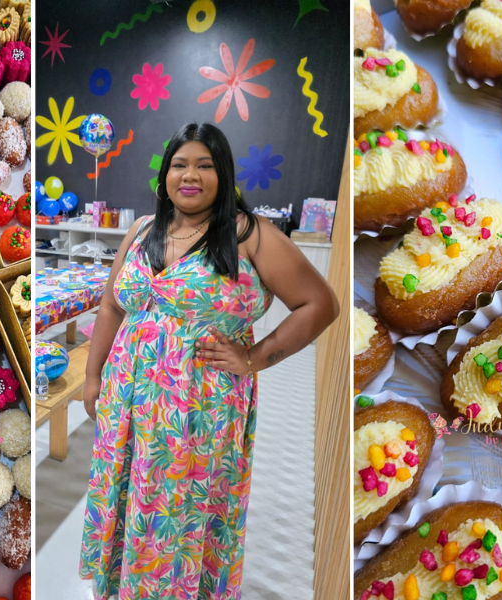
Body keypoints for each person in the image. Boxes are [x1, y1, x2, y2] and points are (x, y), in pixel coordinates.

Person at [79, 122, 339, 599]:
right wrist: (93, 375)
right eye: (179, 165)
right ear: (165, 175)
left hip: (199, 409)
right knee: (130, 495)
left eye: (205, 165)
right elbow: (113, 306)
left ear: (224, 174)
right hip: (128, 400)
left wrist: (254, 358)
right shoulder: (141, 231)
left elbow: (319, 305)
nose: (189, 175)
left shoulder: (248, 234)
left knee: (182, 511)